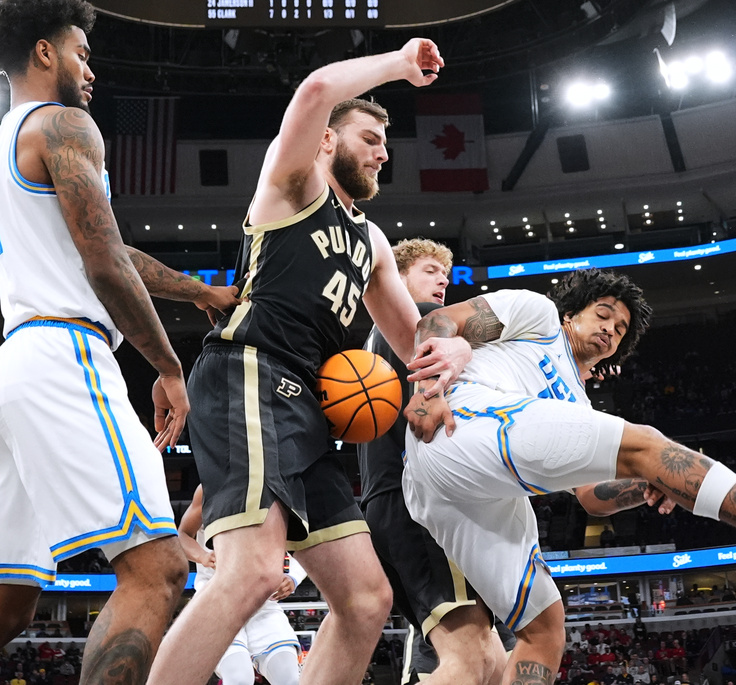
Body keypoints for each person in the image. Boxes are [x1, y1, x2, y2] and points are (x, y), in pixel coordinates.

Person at [147, 38, 472, 685]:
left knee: (365, 599)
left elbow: (415, 344)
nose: (383, 149)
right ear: (326, 141)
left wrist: (453, 346)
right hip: (250, 373)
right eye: (369, 135)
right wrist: (401, 66)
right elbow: (315, 92)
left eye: (387, 142)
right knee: (255, 571)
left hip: (310, 414)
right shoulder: (292, 186)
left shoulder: (374, 241)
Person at [401, 268, 736, 685]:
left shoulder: (577, 403)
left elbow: (592, 500)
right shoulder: (539, 315)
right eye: (604, 313)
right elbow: (439, 320)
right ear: (572, 313)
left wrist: (647, 483)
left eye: (621, 326)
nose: (612, 328)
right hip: (458, 422)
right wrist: (427, 391)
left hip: (458, 494)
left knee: (545, 628)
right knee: (646, 441)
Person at [0, 0, 238, 680]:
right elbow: (102, 263)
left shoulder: (6, 139)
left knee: (10, 600)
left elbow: (105, 247)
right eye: (82, 53)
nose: (91, 69)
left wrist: (200, 292)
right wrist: (168, 365)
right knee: (157, 570)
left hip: (15, 366)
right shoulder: (65, 123)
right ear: (45, 54)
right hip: (64, 354)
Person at [356, 237, 509, 685]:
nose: (442, 280)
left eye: (445, 273)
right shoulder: (420, 329)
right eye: (428, 270)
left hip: (389, 506)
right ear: (396, 279)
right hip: (423, 508)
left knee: (494, 663)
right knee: (467, 660)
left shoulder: (374, 342)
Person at [178, 485, 303, 685]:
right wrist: (202, 556)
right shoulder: (208, 488)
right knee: (239, 679)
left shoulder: (279, 484)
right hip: (217, 600)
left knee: (289, 679)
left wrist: (294, 577)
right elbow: (182, 535)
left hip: (263, 602)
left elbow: (304, 541)